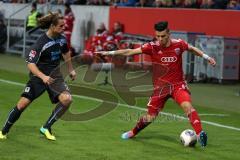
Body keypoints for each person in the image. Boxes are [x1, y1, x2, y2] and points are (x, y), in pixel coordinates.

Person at [96, 21, 216, 147]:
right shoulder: (152, 47)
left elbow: (192, 49)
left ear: (168, 33)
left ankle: (200, 133)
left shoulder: (179, 44)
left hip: (177, 85)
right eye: (157, 36)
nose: (160, 39)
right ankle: (133, 132)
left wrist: (207, 57)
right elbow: (129, 52)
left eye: (163, 36)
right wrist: (110, 53)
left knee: (187, 106)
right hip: (160, 88)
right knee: (150, 117)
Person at [0, 12, 77, 141]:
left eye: (64, 26)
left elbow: (66, 52)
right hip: (38, 76)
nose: (64, 28)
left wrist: (71, 69)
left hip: (55, 76)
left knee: (67, 99)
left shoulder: (62, 39)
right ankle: (3, 131)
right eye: (61, 26)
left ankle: (46, 127)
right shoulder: (41, 43)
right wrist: (43, 77)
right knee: (22, 104)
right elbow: (30, 64)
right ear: (52, 26)